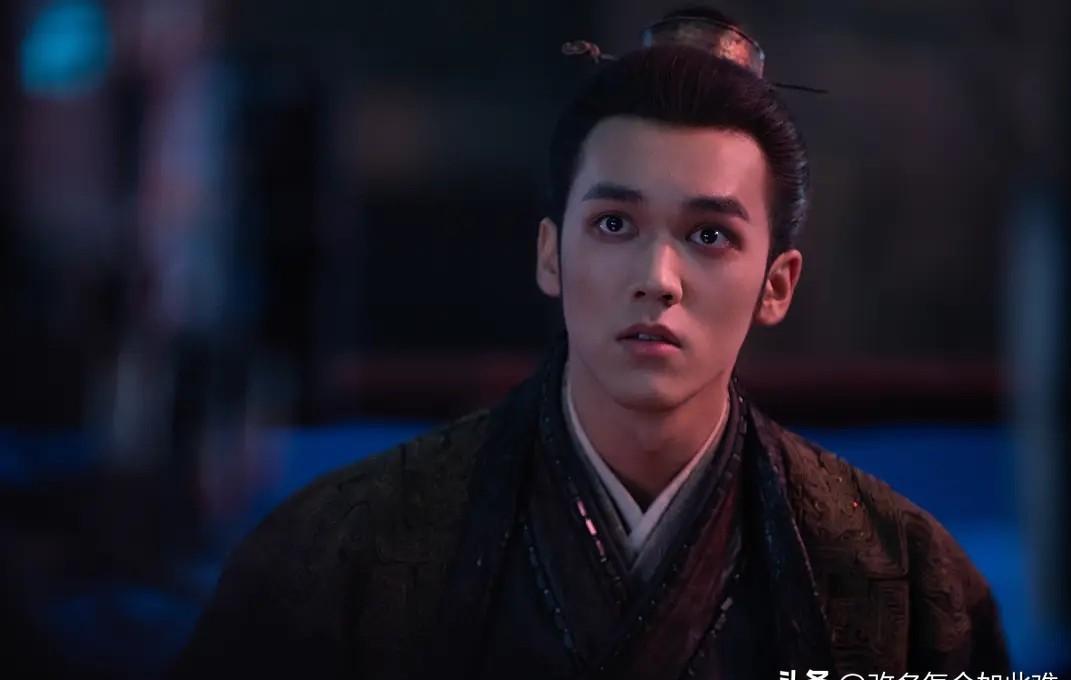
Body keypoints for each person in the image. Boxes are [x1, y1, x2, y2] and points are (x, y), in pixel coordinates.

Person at [172, 7, 1011, 679]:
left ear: (777, 284)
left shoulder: (905, 581)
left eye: (710, 236)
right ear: (551, 254)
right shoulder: (339, 555)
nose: (658, 278)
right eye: (614, 224)